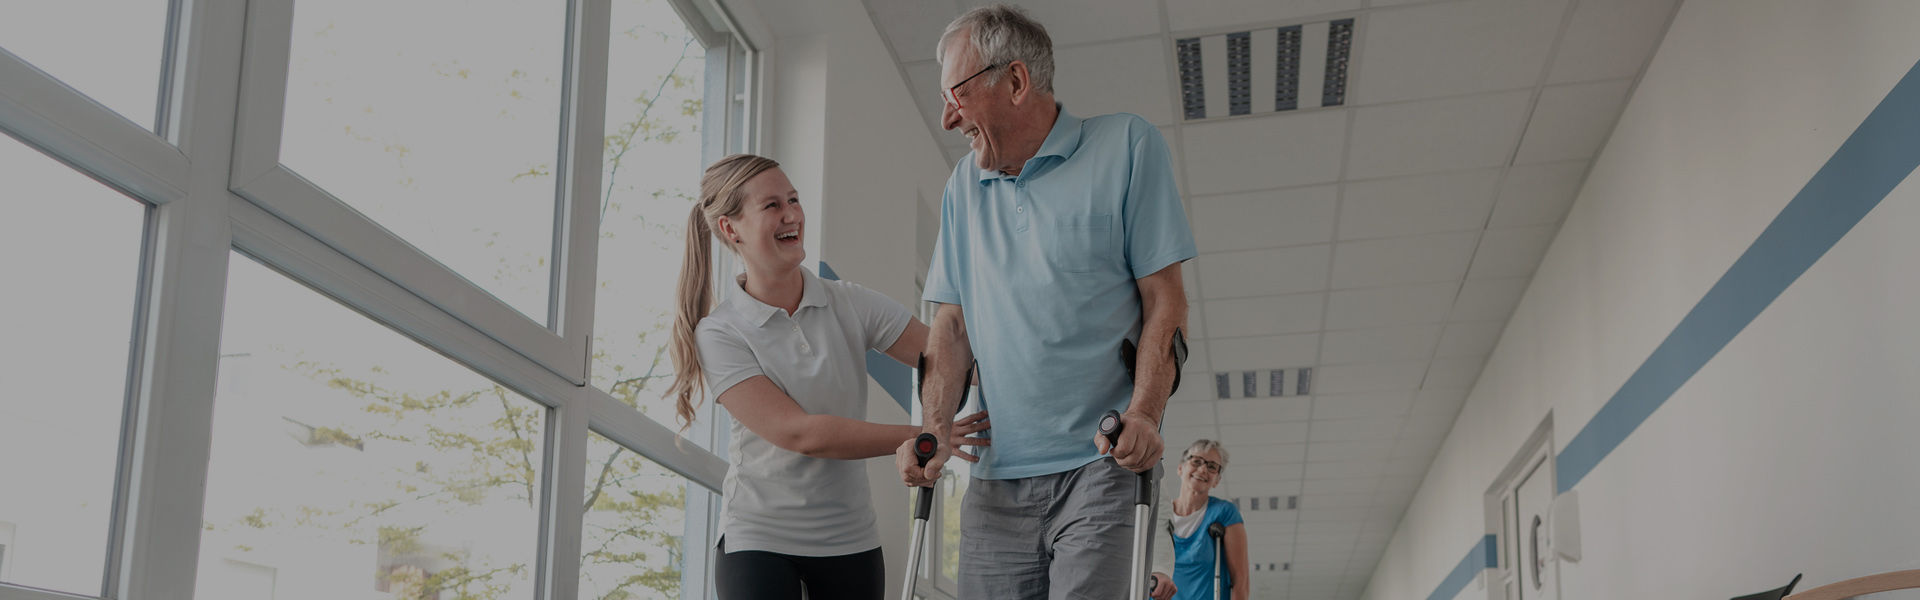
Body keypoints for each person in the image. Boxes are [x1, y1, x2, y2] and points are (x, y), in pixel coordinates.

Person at [894, 4, 1198, 598]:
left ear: (1015, 81)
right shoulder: (963, 188)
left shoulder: (1125, 146)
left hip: (1101, 467)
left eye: (956, 94)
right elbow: (950, 326)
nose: (946, 116)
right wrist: (932, 429)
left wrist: (1144, 414)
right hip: (996, 481)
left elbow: (1166, 302)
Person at [668, 154, 990, 600]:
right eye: (772, 206)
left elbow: (952, 357)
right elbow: (800, 433)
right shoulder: (721, 332)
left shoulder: (849, 302)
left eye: (794, 200)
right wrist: (930, 434)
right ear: (730, 228)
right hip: (761, 539)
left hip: (850, 538)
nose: (792, 214)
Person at [1150, 440, 1249, 600]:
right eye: (1196, 461)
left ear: (1217, 480)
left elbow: (1240, 583)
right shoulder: (1159, 512)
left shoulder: (1224, 513)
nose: (1203, 469)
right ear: (1180, 468)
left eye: (1212, 467)